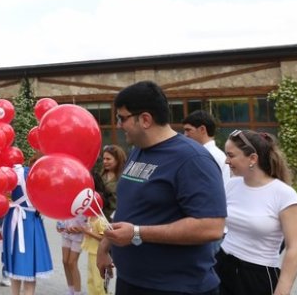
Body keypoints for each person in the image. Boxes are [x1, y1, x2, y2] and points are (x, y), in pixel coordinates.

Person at [97, 81, 226, 295]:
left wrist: (138, 233)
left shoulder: (192, 159)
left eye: (122, 118)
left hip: (176, 287)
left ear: (145, 119)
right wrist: (105, 246)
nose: (119, 125)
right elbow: (129, 207)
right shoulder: (139, 151)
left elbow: (211, 226)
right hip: (133, 282)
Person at [216, 129, 297, 295]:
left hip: (257, 276)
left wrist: (282, 291)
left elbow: (295, 248)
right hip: (222, 266)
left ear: (252, 158)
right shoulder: (231, 185)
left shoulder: (284, 194)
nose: (226, 161)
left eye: (231, 155)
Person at [2, 156, 53, 295]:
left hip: (17, 219)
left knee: (17, 266)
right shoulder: (47, 181)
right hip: (31, 222)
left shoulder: (17, 172)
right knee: (30, 268)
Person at [182, 110, 230, 185]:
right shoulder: (211, 155)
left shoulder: (215, 156)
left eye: (188, 130)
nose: (185, 135)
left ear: (202, 129)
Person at [58, 215, 86, 295]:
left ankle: (77, 292)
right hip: (66, 232)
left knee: (72, 263)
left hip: (78, 234)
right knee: (65, 261)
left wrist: (82, 228)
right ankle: (71, 291)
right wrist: (59, 224)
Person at [81, 215, 109, 295]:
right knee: (90, 280)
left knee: (98, 282)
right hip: (91, 252)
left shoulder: (100, 221)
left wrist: (89, 232)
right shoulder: (90, 218)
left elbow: (103, 237)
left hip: (98, 254)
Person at [99, 144, 126, 221]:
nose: (104, 161)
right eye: (103, 159)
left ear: (118, 160)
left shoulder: (124, 178)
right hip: (101, 219)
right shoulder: (101, 176)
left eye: (108, 159)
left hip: (118, 219)